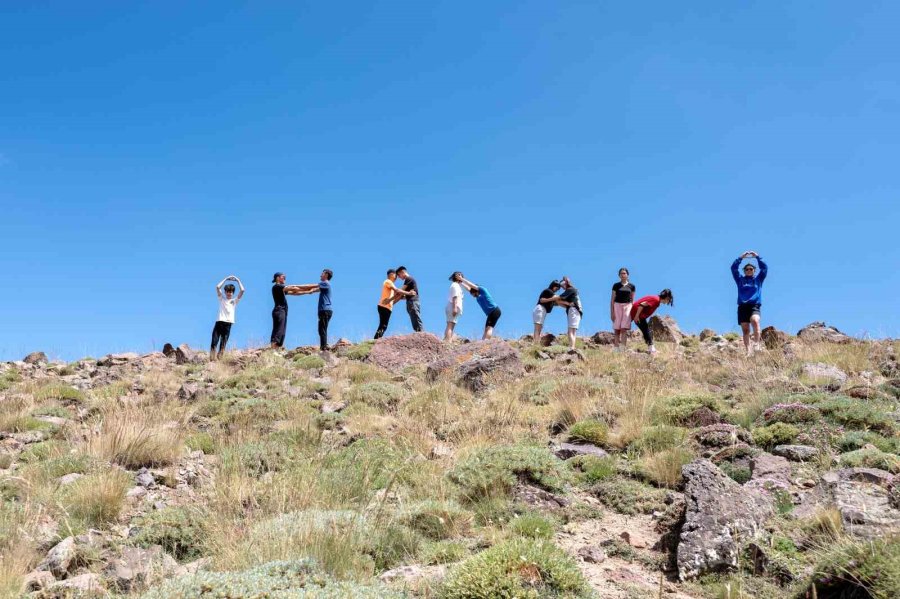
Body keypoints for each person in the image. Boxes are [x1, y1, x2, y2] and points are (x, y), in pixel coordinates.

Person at [284, 269, 335, 352]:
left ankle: (324, 348)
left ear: (326, 275)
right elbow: (310, 291)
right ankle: (324, 346)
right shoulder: (323, 286)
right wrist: (290, 292)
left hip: (325, 310)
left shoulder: (325, 283)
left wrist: (295, 285)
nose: (320, 275)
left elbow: (310, 286)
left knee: (322, 329)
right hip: (324, 310)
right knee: (321, 329)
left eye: (322, 274)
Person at [731, 251, 768, 356]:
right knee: (746, 330)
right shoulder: (740, 280)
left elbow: (765, 268)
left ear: (754, 270)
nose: (748, 270)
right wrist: (741, 258)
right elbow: (733, 269)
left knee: (755, 321)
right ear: (744, 271)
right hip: (742, 307)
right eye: (746, 269)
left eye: (751, 269)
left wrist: (757, 257)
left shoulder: (758, 280)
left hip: (754, 305)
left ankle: (757, 344)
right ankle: (748, 351)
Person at [270, 272, 317, 348]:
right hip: (279, 310)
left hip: (283, 311)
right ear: (277, 278)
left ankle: (277, 349)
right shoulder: (277, 286)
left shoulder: (282, 288)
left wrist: (308, 292)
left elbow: (294, 293)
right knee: (278, 329)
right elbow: (294, 288)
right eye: (283, 276)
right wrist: (315, 286)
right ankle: (273, 348)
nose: (285, 278)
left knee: (282, 331)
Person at [630, 289, 674, 356]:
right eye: (669, 300)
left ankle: (651, 348)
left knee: (646, 330)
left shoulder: (657, 300)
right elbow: (641, 305)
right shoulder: (656, 300)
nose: (668, 302)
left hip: (639, 314)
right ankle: (652, 350)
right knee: (646, 330)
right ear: (667, 298)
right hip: (638, 314)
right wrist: (636, 316)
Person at [210, 275, 244, 360]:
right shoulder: (222, 299)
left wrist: (237, 280)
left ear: (233, 293)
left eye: (231, 292)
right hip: (219, 322)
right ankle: (211, 359)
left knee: (223, 343)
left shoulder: (234, 301)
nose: (229, 293)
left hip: (228, 324)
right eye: (227, 291)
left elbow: (242, 290)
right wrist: (226, 279)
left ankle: (220, 359)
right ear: (225, 292)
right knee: (214, 341)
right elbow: (217, 287)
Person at [457, 276, 501, 340]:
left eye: (473, 294)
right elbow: (468, 289)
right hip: (490, 313)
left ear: (476, 291)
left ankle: (486, 342)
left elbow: (471, 285)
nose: (473, 296)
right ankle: (482, 342)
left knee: (489, 328)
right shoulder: (477, 296)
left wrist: (462, 279)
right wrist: (460, 283)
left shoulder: (483, 290)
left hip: (495, 310)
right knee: (486, 329)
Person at [610, 268, 635, 352]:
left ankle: (623, 348)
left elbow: (633, 300)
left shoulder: (632, 286)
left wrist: (633, 312)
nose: (622, 275)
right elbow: (612, 300)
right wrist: (612, 312)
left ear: (627, 275)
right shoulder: (616, 285)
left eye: (624, 273)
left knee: (624, 328)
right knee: (617, 328)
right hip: (617, 306)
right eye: (621, 273)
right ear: (619, 275)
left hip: (628, 306)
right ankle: (616, 348)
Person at [374, 269, 403, 339]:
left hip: (387, 307)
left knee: (383, 325)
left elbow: (397, 295)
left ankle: (376, 340)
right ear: (391, 274)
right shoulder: (388, 281)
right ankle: (376, 340)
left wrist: (402, 296)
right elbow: (397, 291)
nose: (396, 277)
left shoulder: (391, 284)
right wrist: (407, 293)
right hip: (384, 306)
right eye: (396, 275)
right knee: (383, 325)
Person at [557, 276, 583, 350]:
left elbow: (558, 299)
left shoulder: (569, 290)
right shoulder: (572, 290)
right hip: (576, 311)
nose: (562, 288)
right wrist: (566, 303)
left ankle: (572, 348)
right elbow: (560, 302)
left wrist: (551, 298)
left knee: (570, 331)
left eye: (562, 286)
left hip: (573, 311)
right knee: (573, 331)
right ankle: (572, 347)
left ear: (565, 284)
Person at [395, 266, 423, 332]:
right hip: (411, 301)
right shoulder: (408, 280)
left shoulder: (408, 279)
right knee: (414, 318)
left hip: (413, 302)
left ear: (402, 272)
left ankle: (421, 334)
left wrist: (392, 301)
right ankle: (419, 333)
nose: (399, 277)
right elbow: (405, 295)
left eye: (399, 275)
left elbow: (401, 292)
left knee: (416, 318)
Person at [444, 272, 465, 342]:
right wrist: (455, 308)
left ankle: (448, 340)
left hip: (453, 306)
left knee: (451, 325)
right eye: (459, 275)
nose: (461, 277)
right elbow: (454, 297)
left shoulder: (457, 285)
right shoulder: (455, 285)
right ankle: (448, 341)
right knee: (450, 325)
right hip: (452, 306)